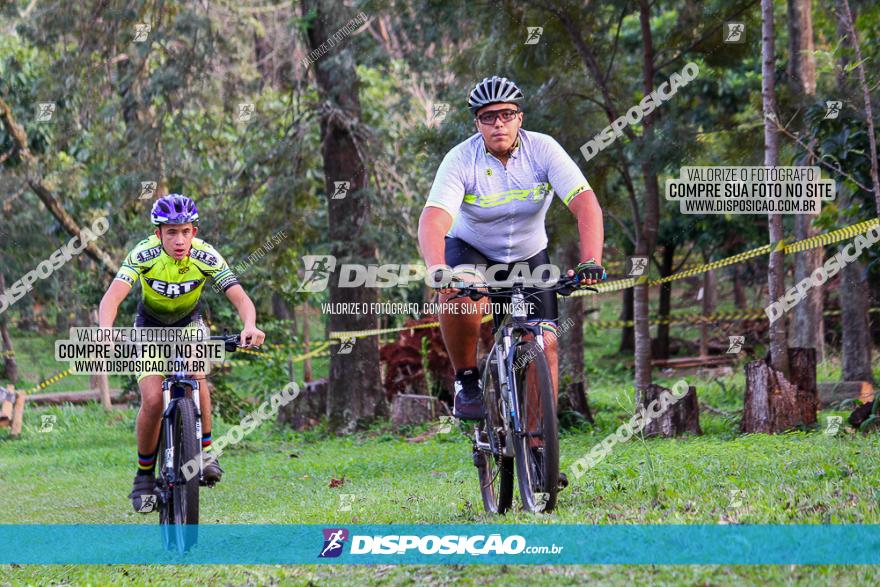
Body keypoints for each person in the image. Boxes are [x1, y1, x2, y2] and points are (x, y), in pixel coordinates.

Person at [417, 76, 606, 486]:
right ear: (477, 124)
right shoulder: (460, 159)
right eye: (489, 117)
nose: (498, 124)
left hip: (527, 255)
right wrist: (438, 268)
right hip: (471, 251)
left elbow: (585, 203)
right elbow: (434, 219)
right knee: (460, 298)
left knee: (545, 342)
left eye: (506, 115)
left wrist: (591, 259)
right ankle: (466, 379)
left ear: (520, 117)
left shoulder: (544, 150)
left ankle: (538, 449)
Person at [98, 194, 265, 513]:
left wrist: (250, 325)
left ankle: (205, 452)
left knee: (197, 376)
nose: (179, 239)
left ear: (194, 232)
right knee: (150, 399)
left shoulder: (206, 256)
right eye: (171, 232)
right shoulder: (143, 254)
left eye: (185, 231)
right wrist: (106, 328)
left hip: (189, 325)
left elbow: (241, 298)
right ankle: (144, 475)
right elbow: (111, 299)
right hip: (149, 327)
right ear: (158, 233)